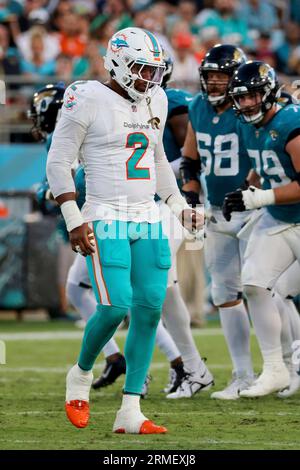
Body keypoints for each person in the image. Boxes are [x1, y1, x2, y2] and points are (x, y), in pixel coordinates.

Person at [46, 27, 203, 434]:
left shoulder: (158, 97)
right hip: (104, 213)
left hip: (148, 215)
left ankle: (130, 411)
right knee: (116, 307)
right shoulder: (87, 97)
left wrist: (179, 207)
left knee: (150, 309)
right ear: (116, 61)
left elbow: (157, 159)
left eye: (153, 70)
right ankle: (80, 374)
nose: (148, 78)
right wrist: (73, 218)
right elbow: (58, 162)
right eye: (140, 68)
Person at [180, 44, 256, 400]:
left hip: (254, 208)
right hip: (217, 212)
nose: (213, 82)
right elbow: (190, 160)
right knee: (225, 293)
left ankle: (287, 365)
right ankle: (243, 375)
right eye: (209, 76)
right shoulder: (196, 107)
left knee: (264, 290)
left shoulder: (247, 110)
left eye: (221, 75)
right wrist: (192, 195)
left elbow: (260, 157)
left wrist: (247, 190)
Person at [223, 61, 300, 397]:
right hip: (281, 219)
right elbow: (261, 163)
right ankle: (275, 369)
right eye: (241, 98)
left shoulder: (290, 123)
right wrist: (246, 189)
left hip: (289, 213)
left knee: (279, 290)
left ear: (268, 93)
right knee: (255, 285)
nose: (247, 104)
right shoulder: (247, 127)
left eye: (253, 96)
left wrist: (260, 198)